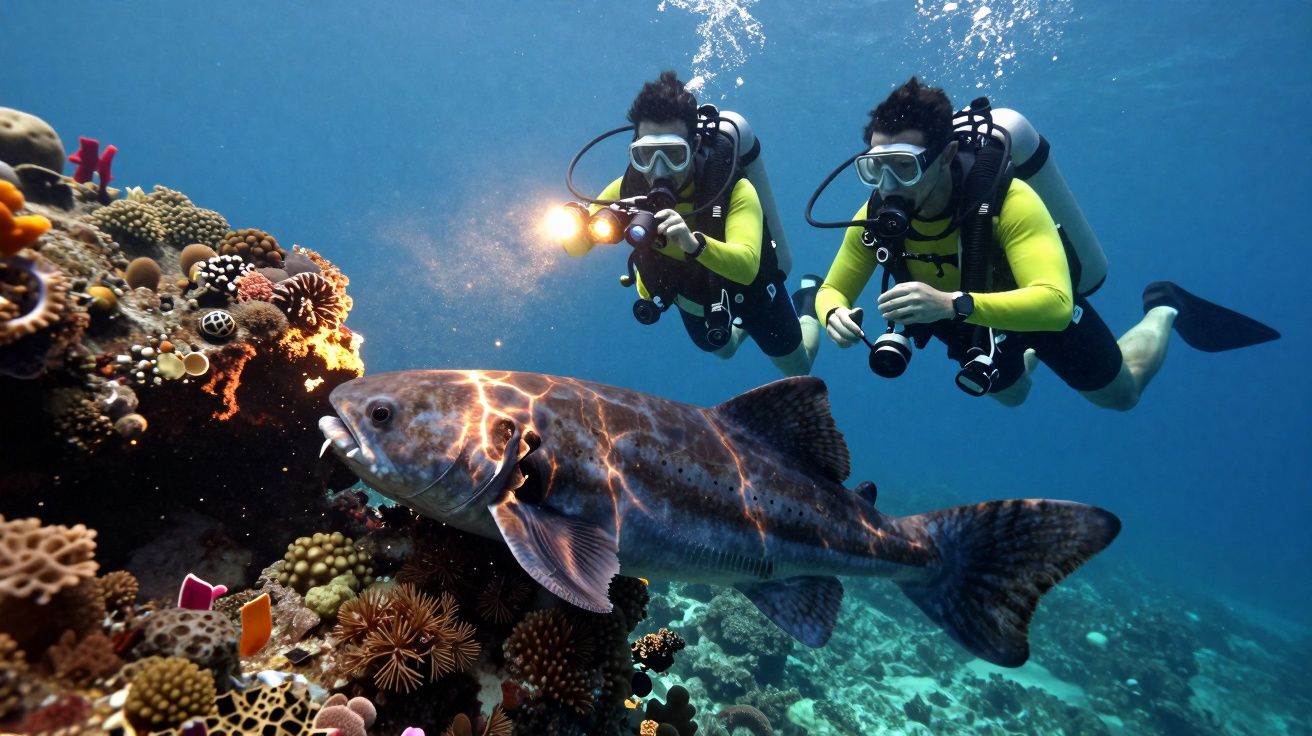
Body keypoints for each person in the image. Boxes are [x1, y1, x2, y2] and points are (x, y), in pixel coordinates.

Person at [814, 77, 1278, 409]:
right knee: (1011, 397)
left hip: (1025, 307)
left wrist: (952, 304)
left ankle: (1163, 306)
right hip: (959, 314)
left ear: (947, 156)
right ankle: (1019, 355)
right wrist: (833, 313)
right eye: (876, 168)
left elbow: (1055, 304)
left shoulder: (1008, 200)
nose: (890, 184)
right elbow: (831, 290)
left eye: (906, 166)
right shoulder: (874, 217)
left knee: (1122, 396)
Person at [558, 71, 821, 377]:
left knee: (798, 368)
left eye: (673, 155)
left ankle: (808, 301)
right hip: (694, 301)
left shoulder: (732, 188)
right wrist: (575, 225)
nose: (659, 170)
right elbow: (576, 249)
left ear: (694, 146)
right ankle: (741, 329)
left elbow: (748, 265)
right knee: (725, 350)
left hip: (753, 295)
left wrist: (693, 244)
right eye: (646, 155)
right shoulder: (626, 190)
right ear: (634, 150)